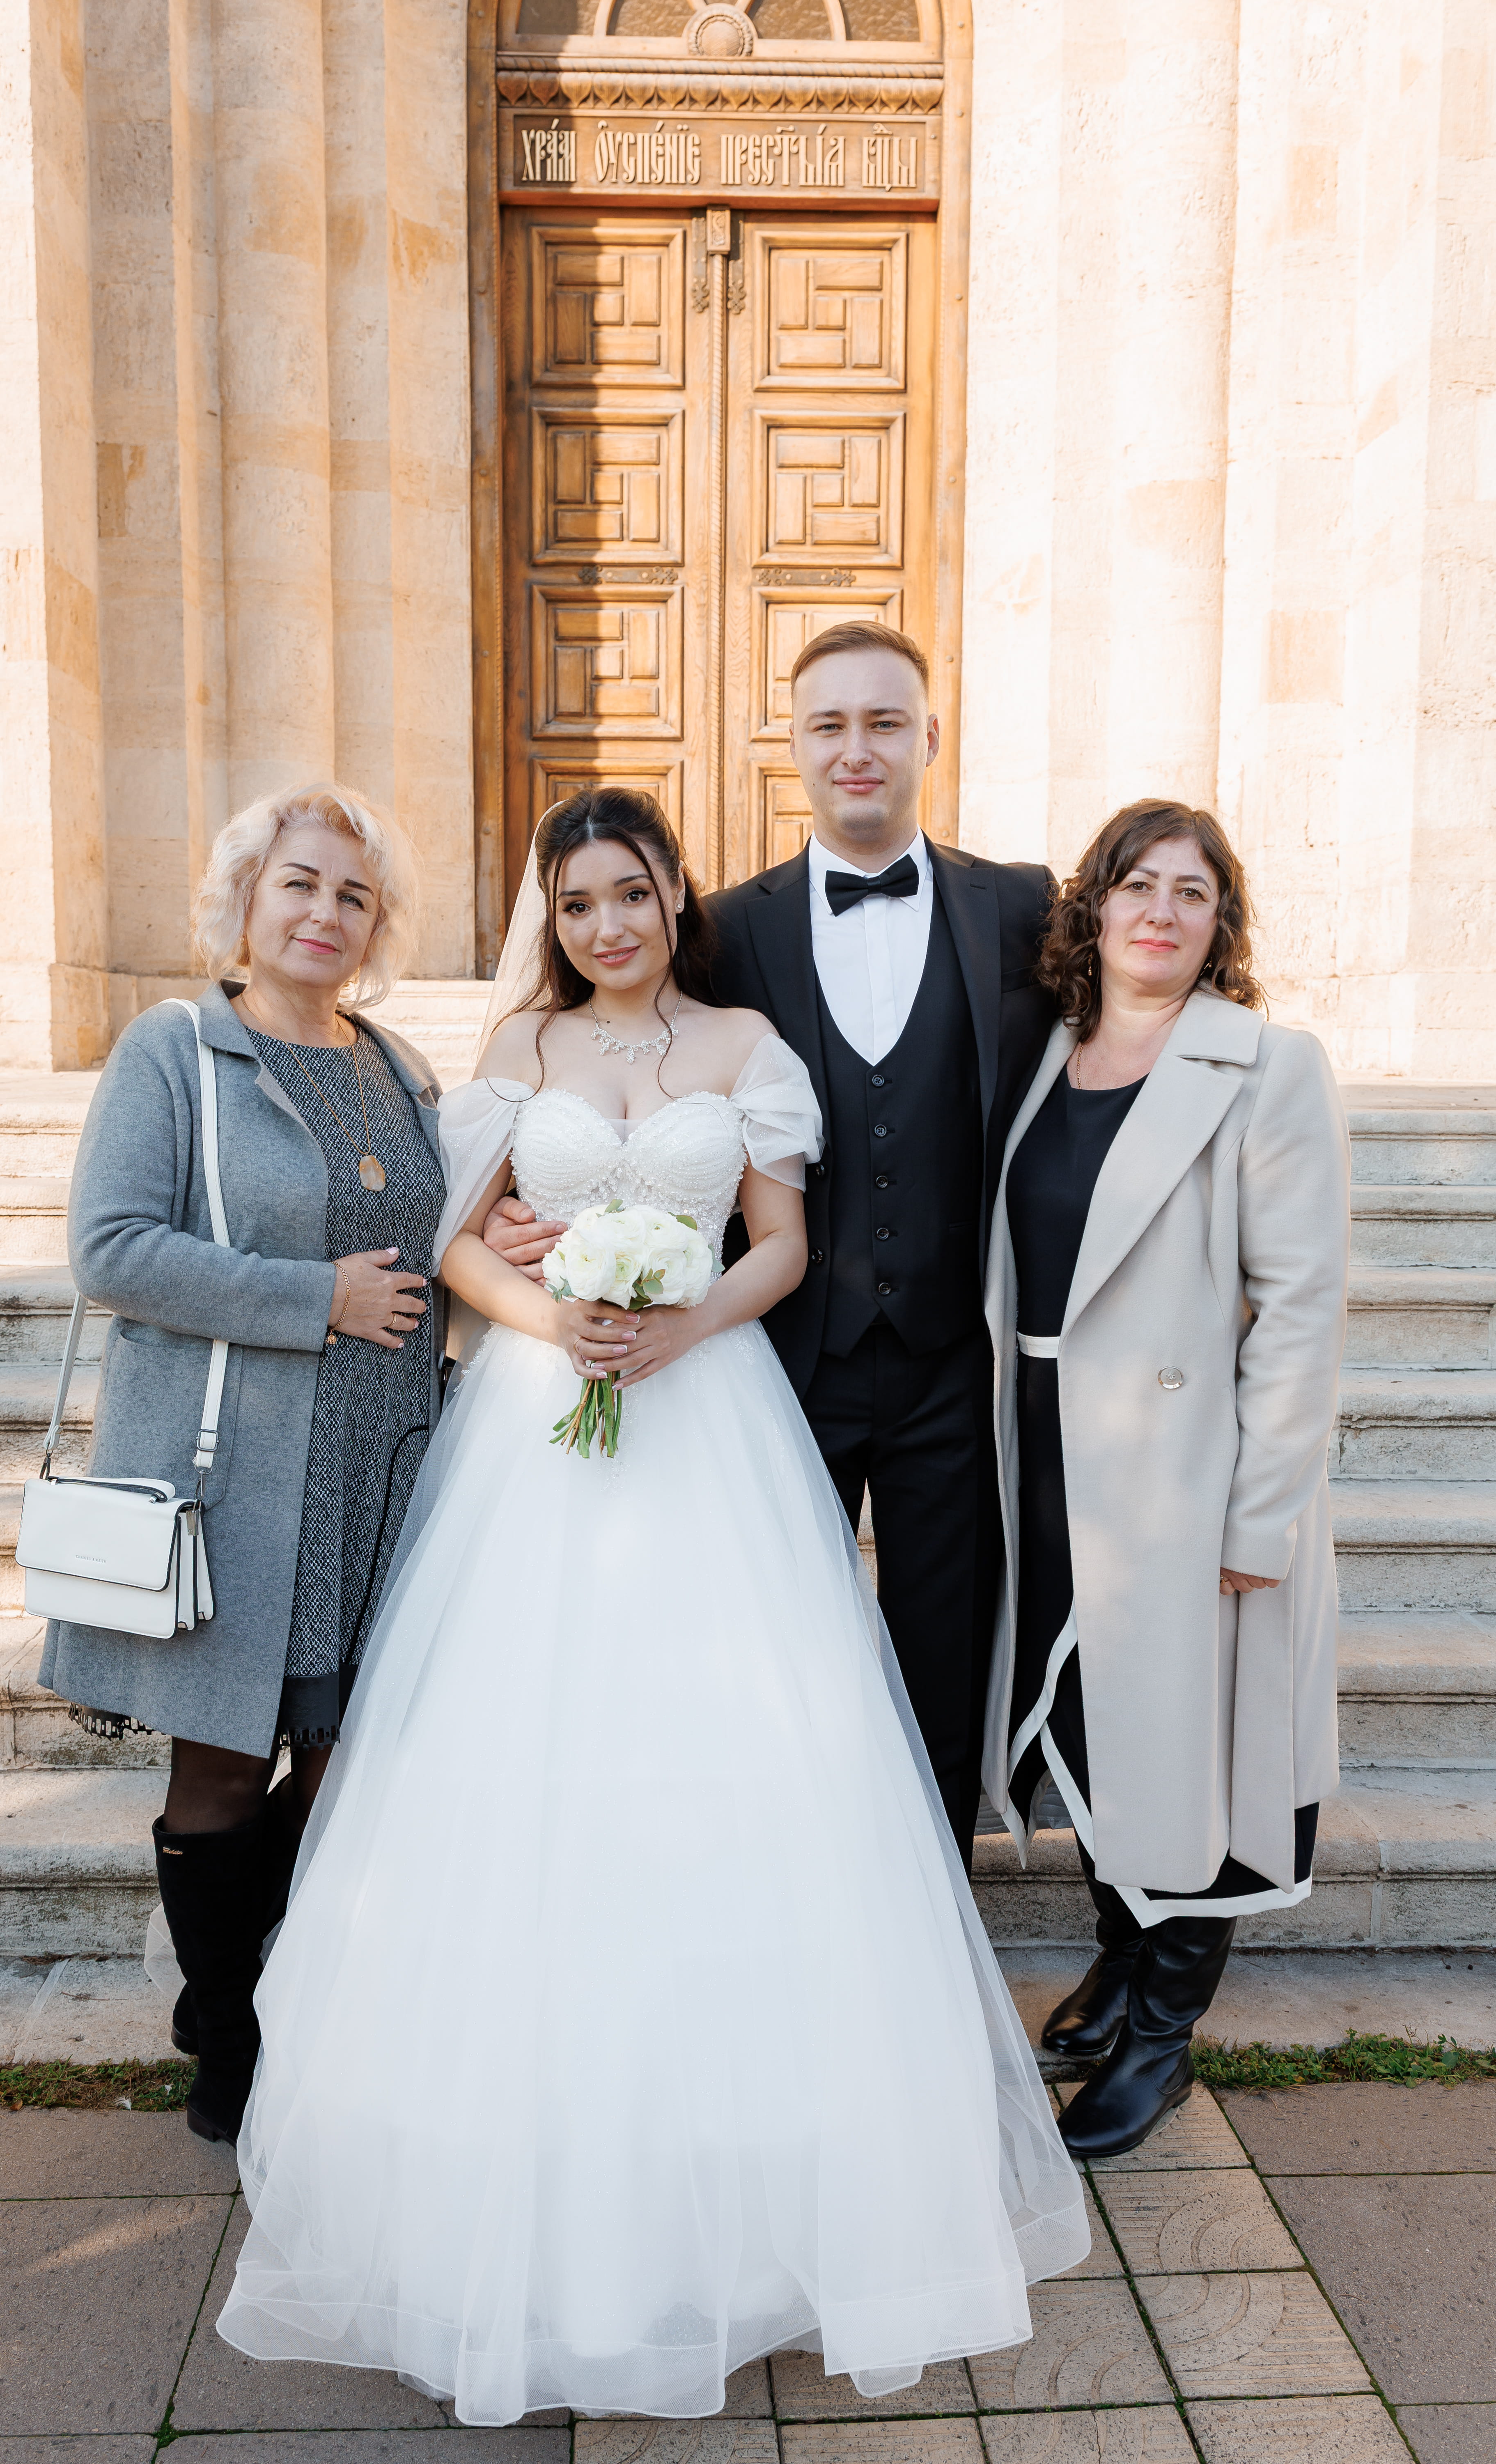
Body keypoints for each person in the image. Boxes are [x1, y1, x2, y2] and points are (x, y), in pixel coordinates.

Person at [216, 788, 1088, 2422]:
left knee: (735, 1766)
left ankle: (753, 2184)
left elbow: (781, 1242)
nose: (605, 926)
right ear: (549, 924)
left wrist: (683, 1323)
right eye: (576, 905)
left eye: (629, 894)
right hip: (539, 1430)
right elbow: (456, 1247)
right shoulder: (519, 1052)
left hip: (709, 1415)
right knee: (528, 1766)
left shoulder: (747, 1048)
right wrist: (551, 1315)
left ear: (675, 898)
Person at [484, 623, 1059, 1868]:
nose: (858, 749)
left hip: (953, 1353)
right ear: (792, 746)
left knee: (943, 1641)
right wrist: (522, 1216)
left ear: (930, 737)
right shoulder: (732, 926)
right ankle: (777, 1874)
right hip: (771, 1359)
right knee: (759, 1644)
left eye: (885, 722)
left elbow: (1096, 1062)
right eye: (828, 725)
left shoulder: (1019, 907)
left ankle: (928, 1902)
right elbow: (629, 1055)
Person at [36, 784, 445, 2146]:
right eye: (300, 883)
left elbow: (433, 1257)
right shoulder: (175, 1049)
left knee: (349, 1772)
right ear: (247, 899)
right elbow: (112, 1251)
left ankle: (277, 2001)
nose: (326, 912)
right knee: (220, 1774)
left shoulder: (401, 1068)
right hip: (235, 1474)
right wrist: (314, 1299)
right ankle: (227, 2042)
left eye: (354, 895)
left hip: (384, 1476)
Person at [982, 799, 1350, 2158]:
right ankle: (1122, 1954)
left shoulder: (1266, 1067)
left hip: (1189, 1480)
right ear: (1093, 909)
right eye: (1138, 885)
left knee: (1190, 1749)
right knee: (1092, 1721)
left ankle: (1163, 2035)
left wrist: (1260, 1515)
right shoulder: (1047, 1056)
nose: (1161, 911)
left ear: (1221, 923)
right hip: (1049, 1449)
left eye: (1193, 893)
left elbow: (1302, 1309)